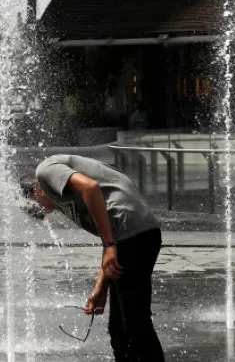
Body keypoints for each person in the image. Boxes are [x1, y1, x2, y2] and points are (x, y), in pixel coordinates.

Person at [20, 154, 165, 362]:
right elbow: (110, 246)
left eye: (37, 205)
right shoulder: (61, 195)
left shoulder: (45, 171)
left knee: (135, 324)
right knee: (120, 328)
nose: (43, 211)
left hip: (132, 233)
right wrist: (101, 288)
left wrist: (108, 244)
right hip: (133, 235)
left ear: (36, 190)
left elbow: (91, 187)